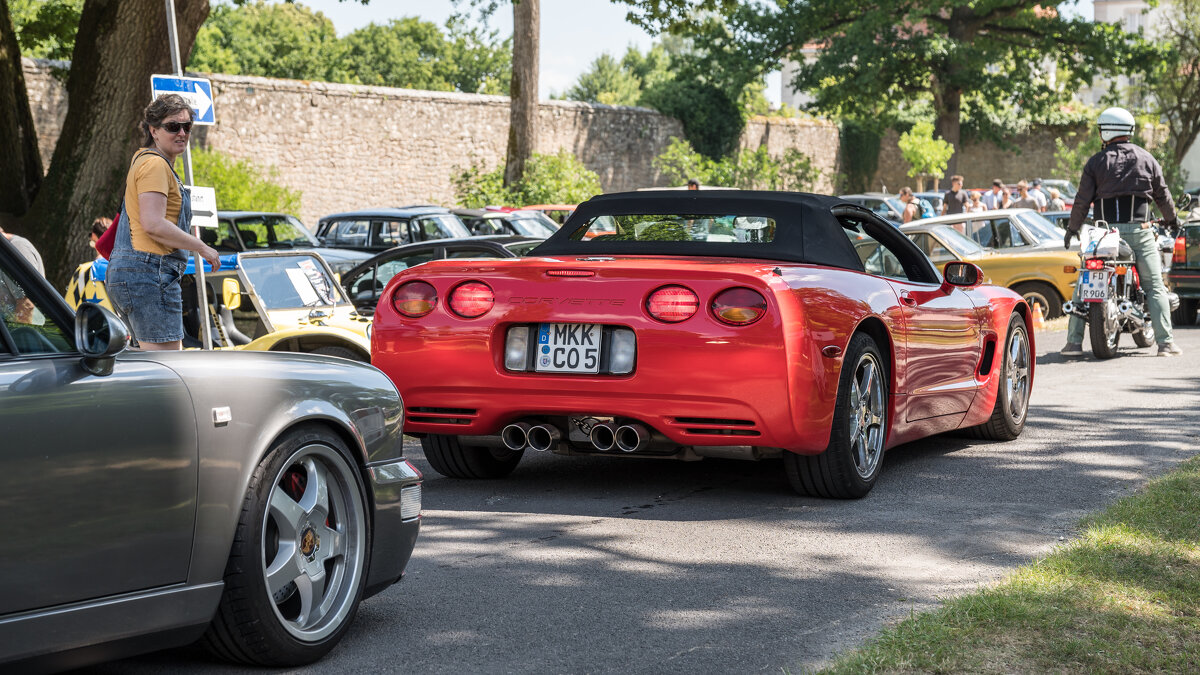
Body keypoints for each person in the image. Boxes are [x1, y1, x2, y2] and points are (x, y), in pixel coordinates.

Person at [1061, 106, 1182, 357]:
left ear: (1104, 131)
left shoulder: (1096, 162)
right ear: (1129, 130)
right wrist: (1172, 220)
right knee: (1155, 286)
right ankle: (1166, 343)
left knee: (1085, 282)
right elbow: (1163, 196)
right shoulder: (1147, 158)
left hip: (1104, 234)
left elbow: (1082, 201)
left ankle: (1073, 342)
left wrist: (1072, 229)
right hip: (1139, 231)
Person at [106, 94, 220, 351]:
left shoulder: (144, 160)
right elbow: (153, 223)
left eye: (187, 126)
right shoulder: (155, 165)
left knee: (147, 369)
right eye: (173, 126)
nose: (182, 133)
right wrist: (200, 247)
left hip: (136, 274)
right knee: (166, 371)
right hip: (150, 274)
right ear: (153, 130)